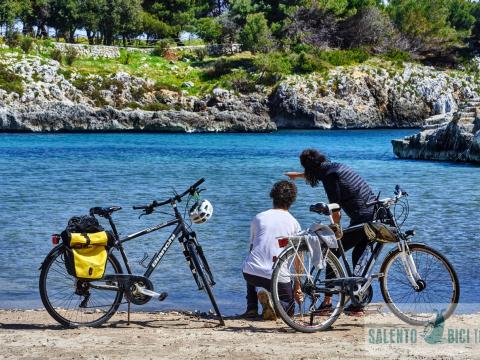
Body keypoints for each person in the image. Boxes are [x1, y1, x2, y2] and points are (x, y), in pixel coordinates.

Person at [286, 149, 377, 316]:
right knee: (358, 258)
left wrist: (336, 229)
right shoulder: (332, 167)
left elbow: (335, 208)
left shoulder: (329, 177)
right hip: (373, 214)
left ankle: (327, 303)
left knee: (333, 252)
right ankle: (358, 303)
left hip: (362, 218)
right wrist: (298, 176)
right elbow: (315, 173)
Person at [242, 180, 302, 320]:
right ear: (292, 200)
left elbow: (252, 249)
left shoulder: (259, 217)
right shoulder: (294, 223)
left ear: (272, 197)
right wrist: (297, 286)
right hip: (277, 277)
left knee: (251, 261)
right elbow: (298, 259)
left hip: (251, 274)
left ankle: (252, 307)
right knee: (289, 309)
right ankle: (276, 305)